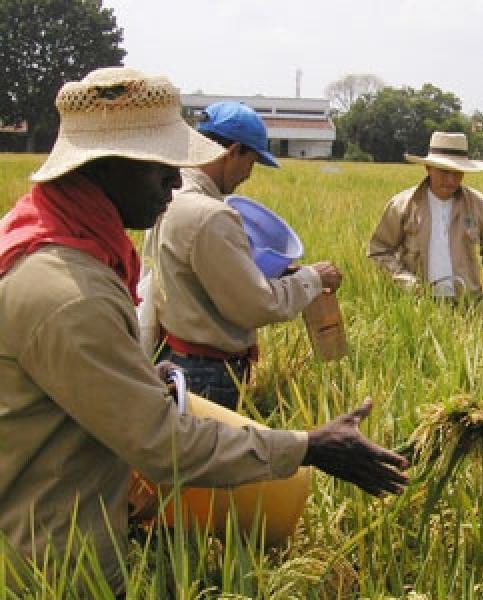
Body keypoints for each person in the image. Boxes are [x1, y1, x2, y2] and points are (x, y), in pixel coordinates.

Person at [0, 67, 407, 594]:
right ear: (107, 166)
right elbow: (165, 445)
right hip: (53, 568)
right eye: (163, 165)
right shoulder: (70, 295)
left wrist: (137, 376)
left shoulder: (50, 241)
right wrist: (309, 446)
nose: (175, 179)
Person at [141, 100, 342, 409]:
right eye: (251, 162)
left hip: (172, 356)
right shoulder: (211, 216)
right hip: (207, 373)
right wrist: (312, 278)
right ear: (233, 151)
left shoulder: (169, 195)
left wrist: (273, 275)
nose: (248, 174)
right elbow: (257, 306)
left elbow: (196, 278)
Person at [367, 131, 483, 299]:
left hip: (468, 304)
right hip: (418, 305)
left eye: (457, 172)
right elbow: (379, 250)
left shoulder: (480, 205)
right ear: (428, 168)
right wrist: (406, 282)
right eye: (443, 171)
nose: (450, 180)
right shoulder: (402, 205)